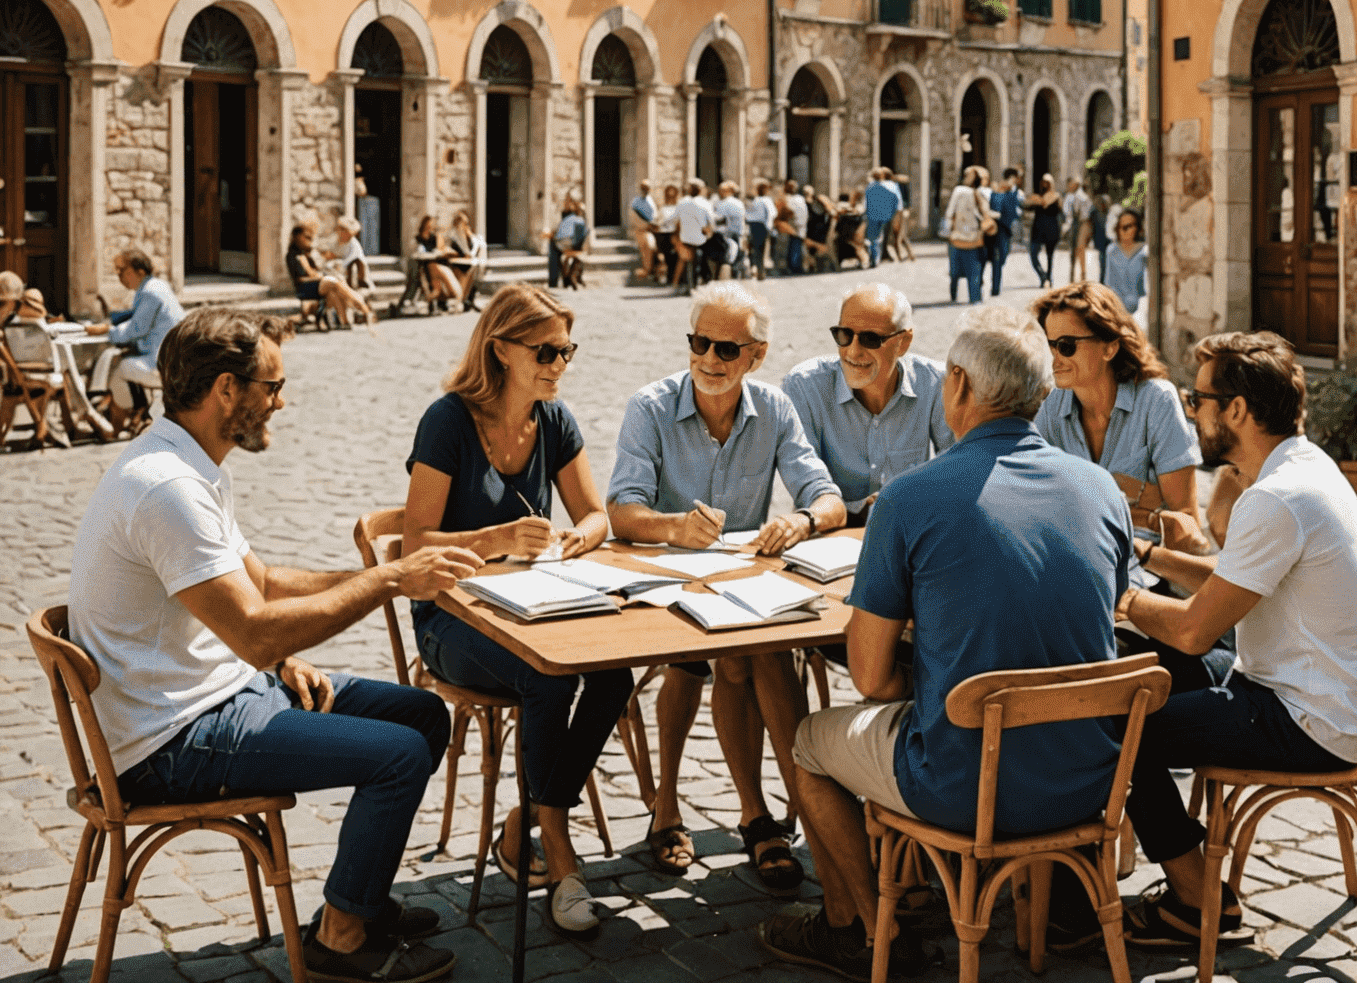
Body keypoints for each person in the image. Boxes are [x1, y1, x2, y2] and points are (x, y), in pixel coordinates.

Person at [70, 307, 483, 983]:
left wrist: (388, 577)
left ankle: (358, 899)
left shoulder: (188, 461)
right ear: (227, 390)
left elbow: (261, 585)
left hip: (211, 694)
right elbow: (256, 632)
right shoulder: (169, 488)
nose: (281, 402)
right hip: (170, 740)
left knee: (422, 714)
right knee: (402, 756)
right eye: (272, 385)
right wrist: (386, 581)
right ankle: (341, 940)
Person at [759, 305, 1133, 977]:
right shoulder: (1102, 490)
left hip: (968, 785)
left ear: (954, 385)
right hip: (1088, 779)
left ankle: (864, 930)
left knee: (811, 743)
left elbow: (871, 679)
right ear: (1044, 397)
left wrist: (929, 681)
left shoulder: (910, 499)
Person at [1106, 332, 1357, 952]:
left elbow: (1192, 625)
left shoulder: (1275, 497)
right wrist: (1150, 555)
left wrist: (1119, 597)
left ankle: (1194, 896)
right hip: (1311, 693)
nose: (1190, 411)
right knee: (1153, 665)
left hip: (1306, 718)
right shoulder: (1301, 468)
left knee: (1122, 724)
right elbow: (1234, 581)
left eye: (1197, 398)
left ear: (1236, 410)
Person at [404, 285, 632, 936]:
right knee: (548, 673)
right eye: (546, 350)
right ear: (501, 349)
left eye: (567, 350)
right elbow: (413, 543)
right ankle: (557, 846)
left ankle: (521, 822)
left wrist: (576, 539)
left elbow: (593, 515)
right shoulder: (448, 422)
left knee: (613, 671)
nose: (559, 363)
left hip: (533, 603)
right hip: (453, 619)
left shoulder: (553, 420)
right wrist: (496, 540)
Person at [606, 282, 846, 891]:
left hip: (741, 583)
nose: (710, 359)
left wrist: (801, 519)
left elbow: (825, 496)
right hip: (666, 580)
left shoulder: (775, 408)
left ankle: (757, 813)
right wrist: (673, 528)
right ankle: (749, 815)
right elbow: (622, 510)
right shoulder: (651, 405)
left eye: (726, 349)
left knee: (749, 657)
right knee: (714, 660)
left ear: (757, 356)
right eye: (699, 343)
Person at [1033, 283, 1205, 685]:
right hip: (1074, 563)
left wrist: (1119, 500)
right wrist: (1120, 496)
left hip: (1145, 572)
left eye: (1067, 345)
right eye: (1050, 346)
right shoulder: (1053, 407)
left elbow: (1185, 525)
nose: (1055, 358)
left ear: (1110, 346)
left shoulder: (1157, 401)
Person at [782, 283, 952, 527]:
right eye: (844, 335)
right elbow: (807, 479)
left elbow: (957, 467)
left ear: (903, 342)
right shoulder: (804, 386)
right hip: (831, 534)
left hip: (911, 530)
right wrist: (859, 510)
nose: (852, 351)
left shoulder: (936, 383)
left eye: (870, 339)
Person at [83, 250, 186, 436]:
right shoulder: (157, 287)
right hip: (171, 359)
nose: (120, 276)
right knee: (127, 362)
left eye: (122, 270)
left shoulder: (149, 292)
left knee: (118, 371)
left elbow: (136, 329)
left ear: (138, 271)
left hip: (163, 366)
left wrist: (107, 331)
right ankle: (138, 412)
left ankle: (116, 426)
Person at [288, 224, 376, 331]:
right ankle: (364, 308)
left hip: (318, 284)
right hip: (304, 287)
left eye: (310, 238)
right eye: (306, 237)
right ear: (297, 237)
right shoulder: (292, 255)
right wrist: (319, 277)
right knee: (334, 282)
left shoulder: (307, 253)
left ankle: (345, 322)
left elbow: (316, 270)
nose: (309, 240)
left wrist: (320, 270)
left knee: (334, 290)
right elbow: (301, 279)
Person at [942, 167, 990, 305]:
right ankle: (975, 298)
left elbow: (950, 212)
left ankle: (954, 294)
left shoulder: (959, 191)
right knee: (974, 269)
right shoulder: (984, 192)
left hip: (958, 236)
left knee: (955, 270)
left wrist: (947, 231)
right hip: (975, 237)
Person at [323, 216, 375, 312]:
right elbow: (328, 254)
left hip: (351, 276)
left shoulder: (353, 245)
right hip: (335, 273)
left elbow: (353, 265)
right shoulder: (335, 240)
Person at [1105, 207, 1149, 320]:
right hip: (1116, 310)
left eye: (1129, 226)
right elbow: (1109, 283)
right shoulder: (1112, 251)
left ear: (1138, 229)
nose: (1124, 230)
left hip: (1140, 312)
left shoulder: (1144, 252)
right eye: (1121, 226)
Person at [414, 215, 463, 311]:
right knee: (435, 279)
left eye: (431, 225)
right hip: (426, 264)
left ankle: (441, 301)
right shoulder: (418, 238)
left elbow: (439, 249)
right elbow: (419, 252)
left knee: (445, 274)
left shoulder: (434, 237)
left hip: (435, 263)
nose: (430, 227)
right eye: (429, 224)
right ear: (424, 225)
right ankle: (437, 300)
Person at [674, 178, 714, 293]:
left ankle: (688, 284)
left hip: (686, 238)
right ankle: (704, 280)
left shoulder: (682, 202)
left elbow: (674, 218)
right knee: (703, 256)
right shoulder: (705, 203)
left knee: (688, 261)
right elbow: (711, 221)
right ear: (701, 190)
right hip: (701, 238)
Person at [989, 167, 1023, 297]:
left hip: (1007, 230)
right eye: (1016, 177)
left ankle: (995, 283)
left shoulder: (1015, 192)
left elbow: (1017, 208)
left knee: (1003, 256)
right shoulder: (997, 191)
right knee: (997, 259)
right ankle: (995, 288)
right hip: (997, 229)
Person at [1025, 173, 1063, 287]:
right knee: (1033, 254)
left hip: (1051, 229)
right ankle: (1043, 275)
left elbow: (1059, 212)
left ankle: (1049, 278)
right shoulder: (1036, 196)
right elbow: (1027, 207)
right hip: (1038, 230)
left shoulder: (1056, 197)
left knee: (1050, 256)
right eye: (1043, 181)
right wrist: (1033, 201)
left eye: (1047, 182)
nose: (1044, 184)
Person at [445, 211, 488, 311]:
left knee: (475, 271)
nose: (465, 225)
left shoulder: (467, 235)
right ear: (458, 223)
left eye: (466, 223)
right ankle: (461, 300)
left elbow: (475, 247)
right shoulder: (453, 235)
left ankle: (466, 299)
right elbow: (457, 250)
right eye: (464, 223)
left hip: (466, 262)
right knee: (468, 272)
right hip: (456, 263)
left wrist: (471, 236)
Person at [862, 170, 901, 270]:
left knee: (872, 237)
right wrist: (893, 212)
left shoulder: (870, 187)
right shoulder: (888, 187)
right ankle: (876, 258)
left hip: (872, 215)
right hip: (885, 215)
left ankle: (874, 257)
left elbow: (865, 202)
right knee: (879, 236)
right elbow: (895, 200)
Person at [551, 198, 590, 290]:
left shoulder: (567, 218)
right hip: (568, 243)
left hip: (559, 244)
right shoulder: (579, 220)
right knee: (580, 255)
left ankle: (567, 278)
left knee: (568, 257)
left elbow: (557, 232)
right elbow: (583, 235)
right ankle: (574, 276)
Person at [1064, 177, 1094, 284]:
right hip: (1075, 223)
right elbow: (1067, 212)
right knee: (1074, 249)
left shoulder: (1081, 196)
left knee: (1080, 248)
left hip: (1083, 223)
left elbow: (1085, 213)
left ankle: (1082, 274)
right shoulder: (1070, 196)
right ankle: (1074, 274)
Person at [630, 179, 660, 282]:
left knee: (651, 249)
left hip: (651, 231)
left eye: (647, 187)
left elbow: (654, 215)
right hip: (641, 230)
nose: (645, 189)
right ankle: (646, 271)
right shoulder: (636, 201)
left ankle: (648, 271)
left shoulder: (650, 200)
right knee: (646, 251)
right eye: (644, 187)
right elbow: (633, 217)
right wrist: (646, 225)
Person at [746, 180, 775, 281]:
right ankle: (759, 270)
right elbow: (773, 213)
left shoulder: (757, 200)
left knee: (757, 249)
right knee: (759, 249)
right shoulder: (764, 200)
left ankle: (758, 269)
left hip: (755, 226)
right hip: (760, 226)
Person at [654, 184, 681, 286]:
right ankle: (667, 277)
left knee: (675, 256)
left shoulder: (679, 206)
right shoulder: (662, 207)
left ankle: (673, 278)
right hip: (663, 233)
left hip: (675, 233)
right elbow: (659, 220)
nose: (670, 196)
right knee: (665, 255)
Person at [804, 186, 835, 273]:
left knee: (813, 251)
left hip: (813, 231)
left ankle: (814, 266)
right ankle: (817, 266)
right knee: (816, 250)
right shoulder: (816, 205)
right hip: (818, 231)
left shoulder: (809, 205)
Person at [784, 179, 809, 275]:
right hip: (799, 225)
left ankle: (794, 267)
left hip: (794, 225)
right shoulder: (800, 198)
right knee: (796, 246)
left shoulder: (790, 199)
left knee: (795, 246)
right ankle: (796, 266)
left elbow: (789, 212)